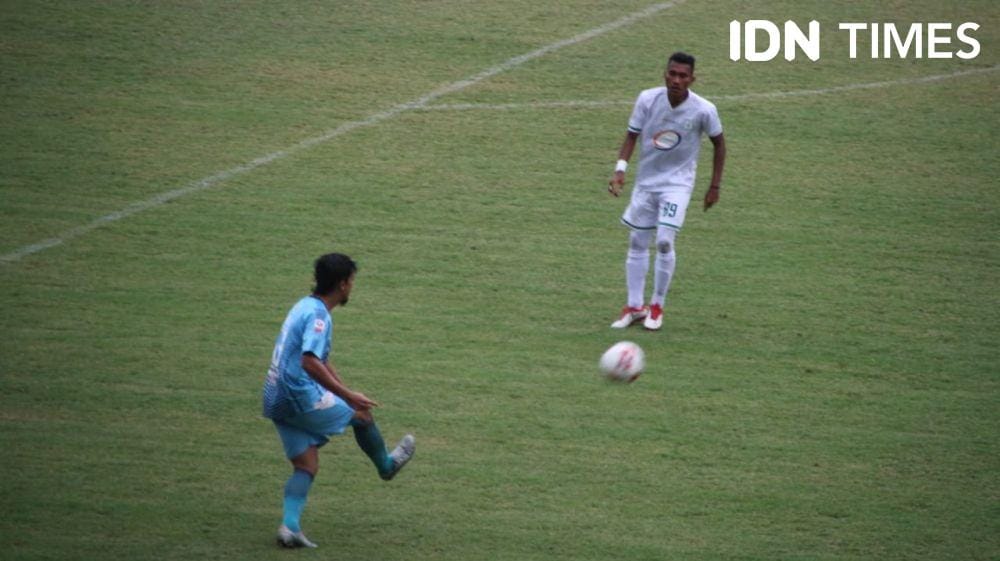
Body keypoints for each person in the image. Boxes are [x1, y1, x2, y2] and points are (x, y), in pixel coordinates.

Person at [262, 252, 415, 548]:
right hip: (297, 394)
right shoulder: (320, 317)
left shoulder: (304, 306)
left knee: (306, 464)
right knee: (362, 417)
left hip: (273, 395)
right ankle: (386, 465)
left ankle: (289, 528)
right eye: (352, 281)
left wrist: (347, 393)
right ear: (343, 284)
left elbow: (322, 359)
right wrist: (347, 397)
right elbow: (309, 361)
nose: (352, 287)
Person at [607, 51, 726, 330]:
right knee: (637, 241)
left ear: (692, 79)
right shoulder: (647, 99)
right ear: (665, 74)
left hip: (677, 185)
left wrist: (714, 185)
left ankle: (657, 306)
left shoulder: (704, 110)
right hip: (646, 183)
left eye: (683, 76)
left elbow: (719, 144)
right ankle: (635, 306)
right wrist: (620, 170)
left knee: (663, 241)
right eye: (672, 74)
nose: (676, 80)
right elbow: (631, 136)